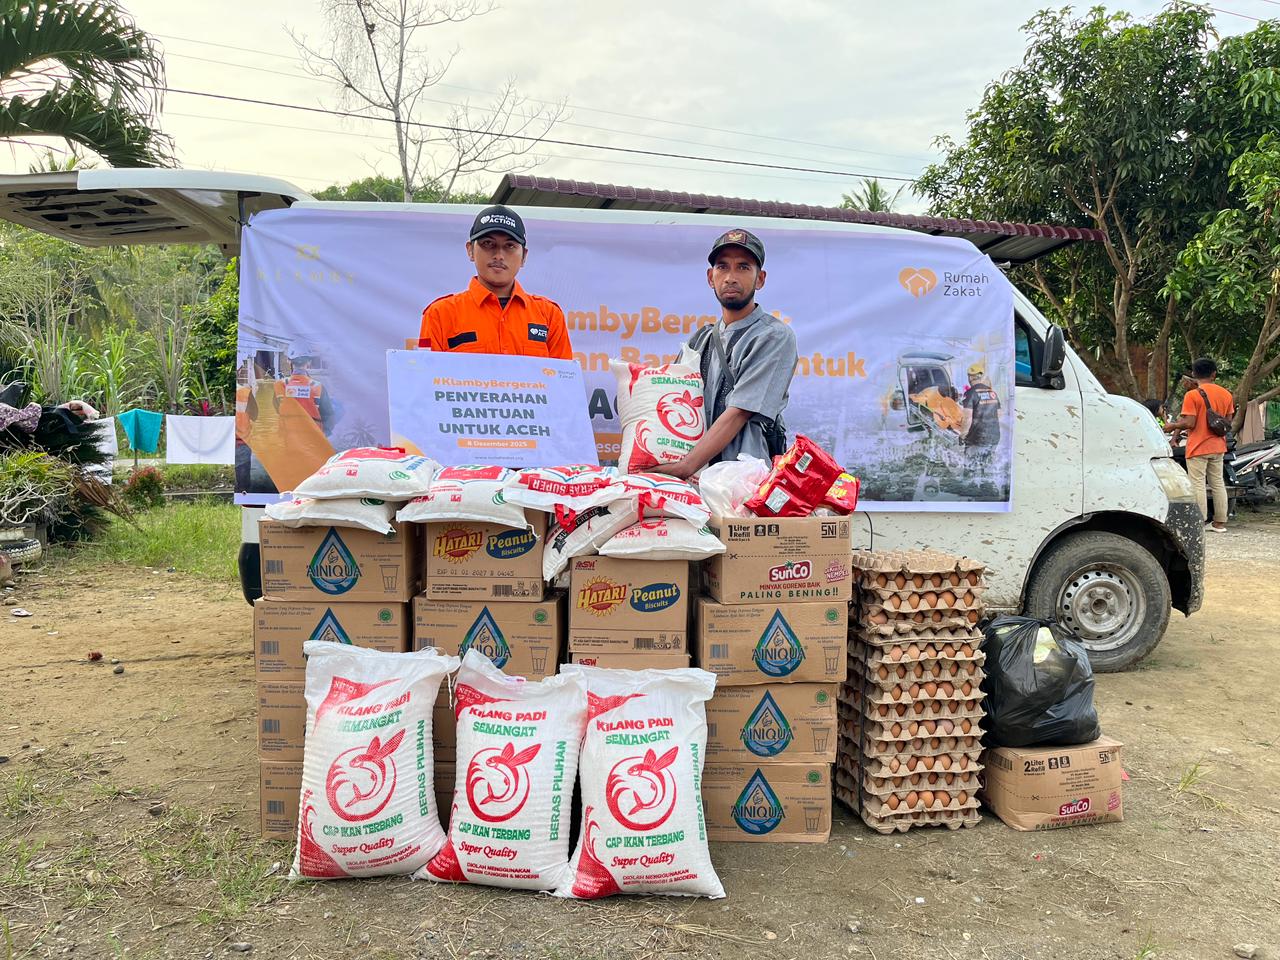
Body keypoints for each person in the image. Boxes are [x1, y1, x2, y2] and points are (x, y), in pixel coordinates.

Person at [652, 228, 798, 479]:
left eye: (743, 267)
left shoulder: (774, 336)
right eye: (723, 267)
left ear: (760, 279)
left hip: (741, 476)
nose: (731, 277)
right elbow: (672, 397)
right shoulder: (702, 338)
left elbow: (740, 411)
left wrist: (685, 467)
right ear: (711, 277)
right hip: (695, 477)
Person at [418, 205, 573, 359]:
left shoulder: (550, 316)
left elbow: (563, 381)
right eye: (488, 243)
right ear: (470, 250)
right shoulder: (439, 315)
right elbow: (425, 378)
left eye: (510, 246)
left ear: (524, 257)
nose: (499, 255)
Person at [1164, 356, 1234, 532]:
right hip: (1218, 446)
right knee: (1217, 482)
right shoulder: (1226, 394)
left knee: (1198, 483)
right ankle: (1220, 523)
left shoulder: (1192, 395)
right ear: (1214, 374)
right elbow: (1228, 421)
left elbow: (1190, 423)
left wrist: (1172, 426)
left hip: (1198, 447)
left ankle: (1200, 522)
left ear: (1194, 373)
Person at [960, 362, 1001, 448]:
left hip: (977, 438)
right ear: (981, 376)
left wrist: (963, 435)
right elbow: (999, 413)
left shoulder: (970, 393)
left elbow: (967, 417)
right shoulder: (992, 392)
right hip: (994, 437)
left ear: (970, 377)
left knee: (971, 460)